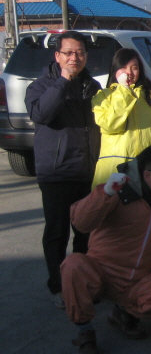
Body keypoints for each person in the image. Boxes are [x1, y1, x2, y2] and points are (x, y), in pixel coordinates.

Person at [60, 144, 151, 354]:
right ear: (148, 175)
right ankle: (85, 332)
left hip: (139, 280)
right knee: (73, 265)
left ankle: (124, 312)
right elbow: (81, 222)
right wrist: (104, 192)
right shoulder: (118, 193)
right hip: (101, 274)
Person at [25, 30, 101, 308]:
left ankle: (83, 282)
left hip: (87, 171)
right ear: (57, 56)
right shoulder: (41, 86)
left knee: (86, 232)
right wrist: (63, 81)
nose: (74, 58)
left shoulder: (92, 86)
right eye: (68, 53)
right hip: (57, 172)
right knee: (57, 233)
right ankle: (59, 287)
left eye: (79, 52)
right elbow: (41, 115)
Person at [91, 48, 151, 188]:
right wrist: (123, 90)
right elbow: (111, 124)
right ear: (115, 70)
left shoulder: (150, 96)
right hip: (114, 167)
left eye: (135, 68)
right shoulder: (103, 96)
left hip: (144, 166)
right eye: (123, 67)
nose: (129, 72)